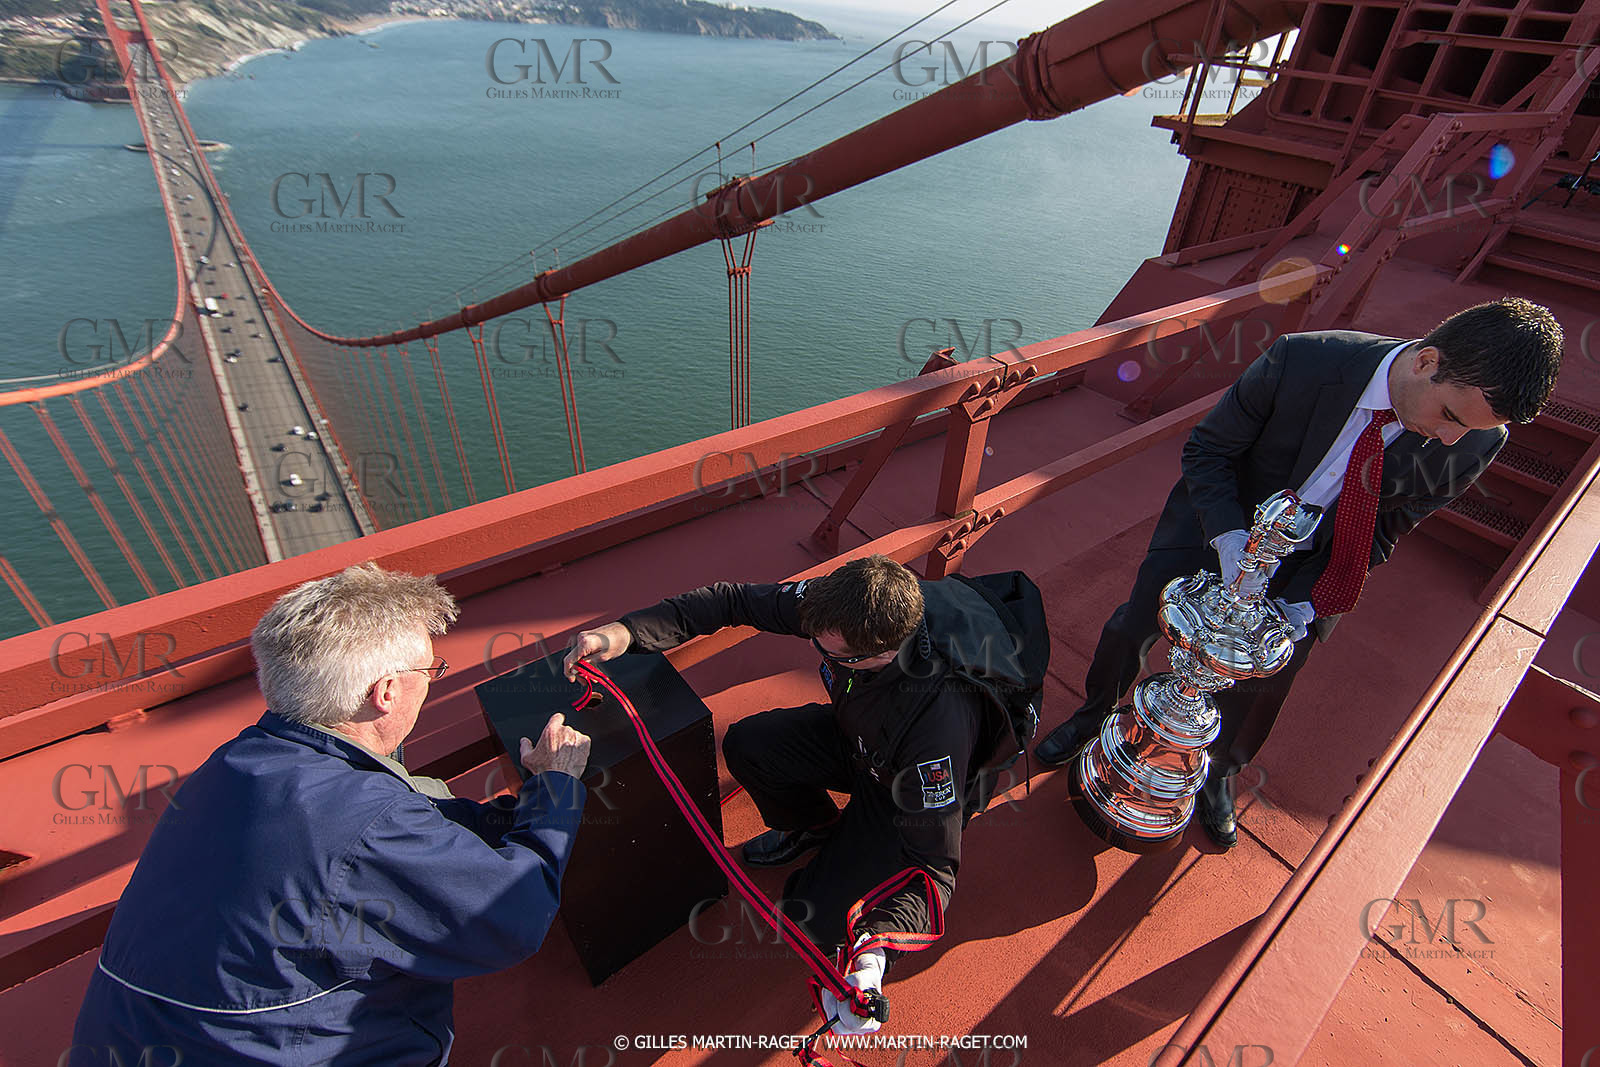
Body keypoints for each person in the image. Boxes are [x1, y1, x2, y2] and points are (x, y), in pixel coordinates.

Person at [1034, 297, 1563, 848]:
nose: (1448, 440)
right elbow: (1208, 453)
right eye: (1450, 417)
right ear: (1426, 362)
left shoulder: (1478, 437)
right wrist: (1231, 541)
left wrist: (1307, 604)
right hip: (1218, 526)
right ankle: (1093, 716)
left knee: (1269, 683)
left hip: (1315, 566)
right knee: (1137, 623)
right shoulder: (1302, 360)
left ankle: (1219, 772)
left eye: (1469, 430)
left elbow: (1389, 527)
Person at [70, 562, 591, 1066]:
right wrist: (557, 788)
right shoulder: (370, 824)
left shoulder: (235, 761)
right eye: (433, 670)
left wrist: (513, 814)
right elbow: (514, 918)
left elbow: (366, 841)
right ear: (385, 692)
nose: (434, 681)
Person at [564, 554, 1024, 1034]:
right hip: (859, 740)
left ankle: (849, 870)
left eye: (831, 653)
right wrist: (624, 633)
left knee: (813, 921)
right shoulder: (840, 607)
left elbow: (934, 870)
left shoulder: (937, 728)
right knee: (750, 745)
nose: (817, 648)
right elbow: (733, 600)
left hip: (901, 796)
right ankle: (815, 827)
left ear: (880, 654)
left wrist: (871, 960)